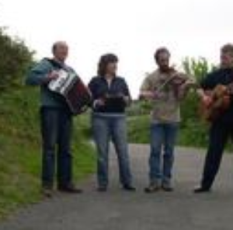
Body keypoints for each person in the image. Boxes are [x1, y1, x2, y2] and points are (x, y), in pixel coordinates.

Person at [26, 41, 82, 197]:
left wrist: (79, 104)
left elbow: (77, 90)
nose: (65, 51)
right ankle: (47, 185)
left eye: (67, 49)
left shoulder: (70, 70)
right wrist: (48, 77)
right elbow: (30, 78)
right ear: (54, 51)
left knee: (66, 149)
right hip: (50, 109)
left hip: (66, 112)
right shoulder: (46, 64)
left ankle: (65, 183)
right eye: (62, 48)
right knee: (50, 147)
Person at [140, 47, 194, 192]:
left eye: (167, 59)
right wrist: (151, 94)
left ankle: (166, 180)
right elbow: (142, 92)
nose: (165, 62)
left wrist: (184, 86)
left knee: (169, 152)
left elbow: (183, 94)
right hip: (157, 119)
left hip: (173, 119)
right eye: (162, 60)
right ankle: (154, 181)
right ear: (157, 61)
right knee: (155, 150)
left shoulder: (177, 75)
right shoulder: (152, 77)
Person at [88, 53, 135, 192]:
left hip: (119, 117)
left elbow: (129, 100)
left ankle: (127, 182)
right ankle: (102, 183)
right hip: (100, 117)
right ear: (104, 65)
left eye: (116, 63)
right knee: (102, 153)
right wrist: (97, 102)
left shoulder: (121, 81)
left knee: (123, 151)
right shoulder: (95, 81)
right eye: (112, 62)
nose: (115, 65)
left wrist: (126, 100)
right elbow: (86, 98)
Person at [194, 44, 233, 193]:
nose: (222, 59)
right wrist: (204, 97)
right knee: (213, 153)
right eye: (221, 56)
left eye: (225, 56)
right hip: (218, 120)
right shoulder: (215, 74)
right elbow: (199, 86)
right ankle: (205, 185)